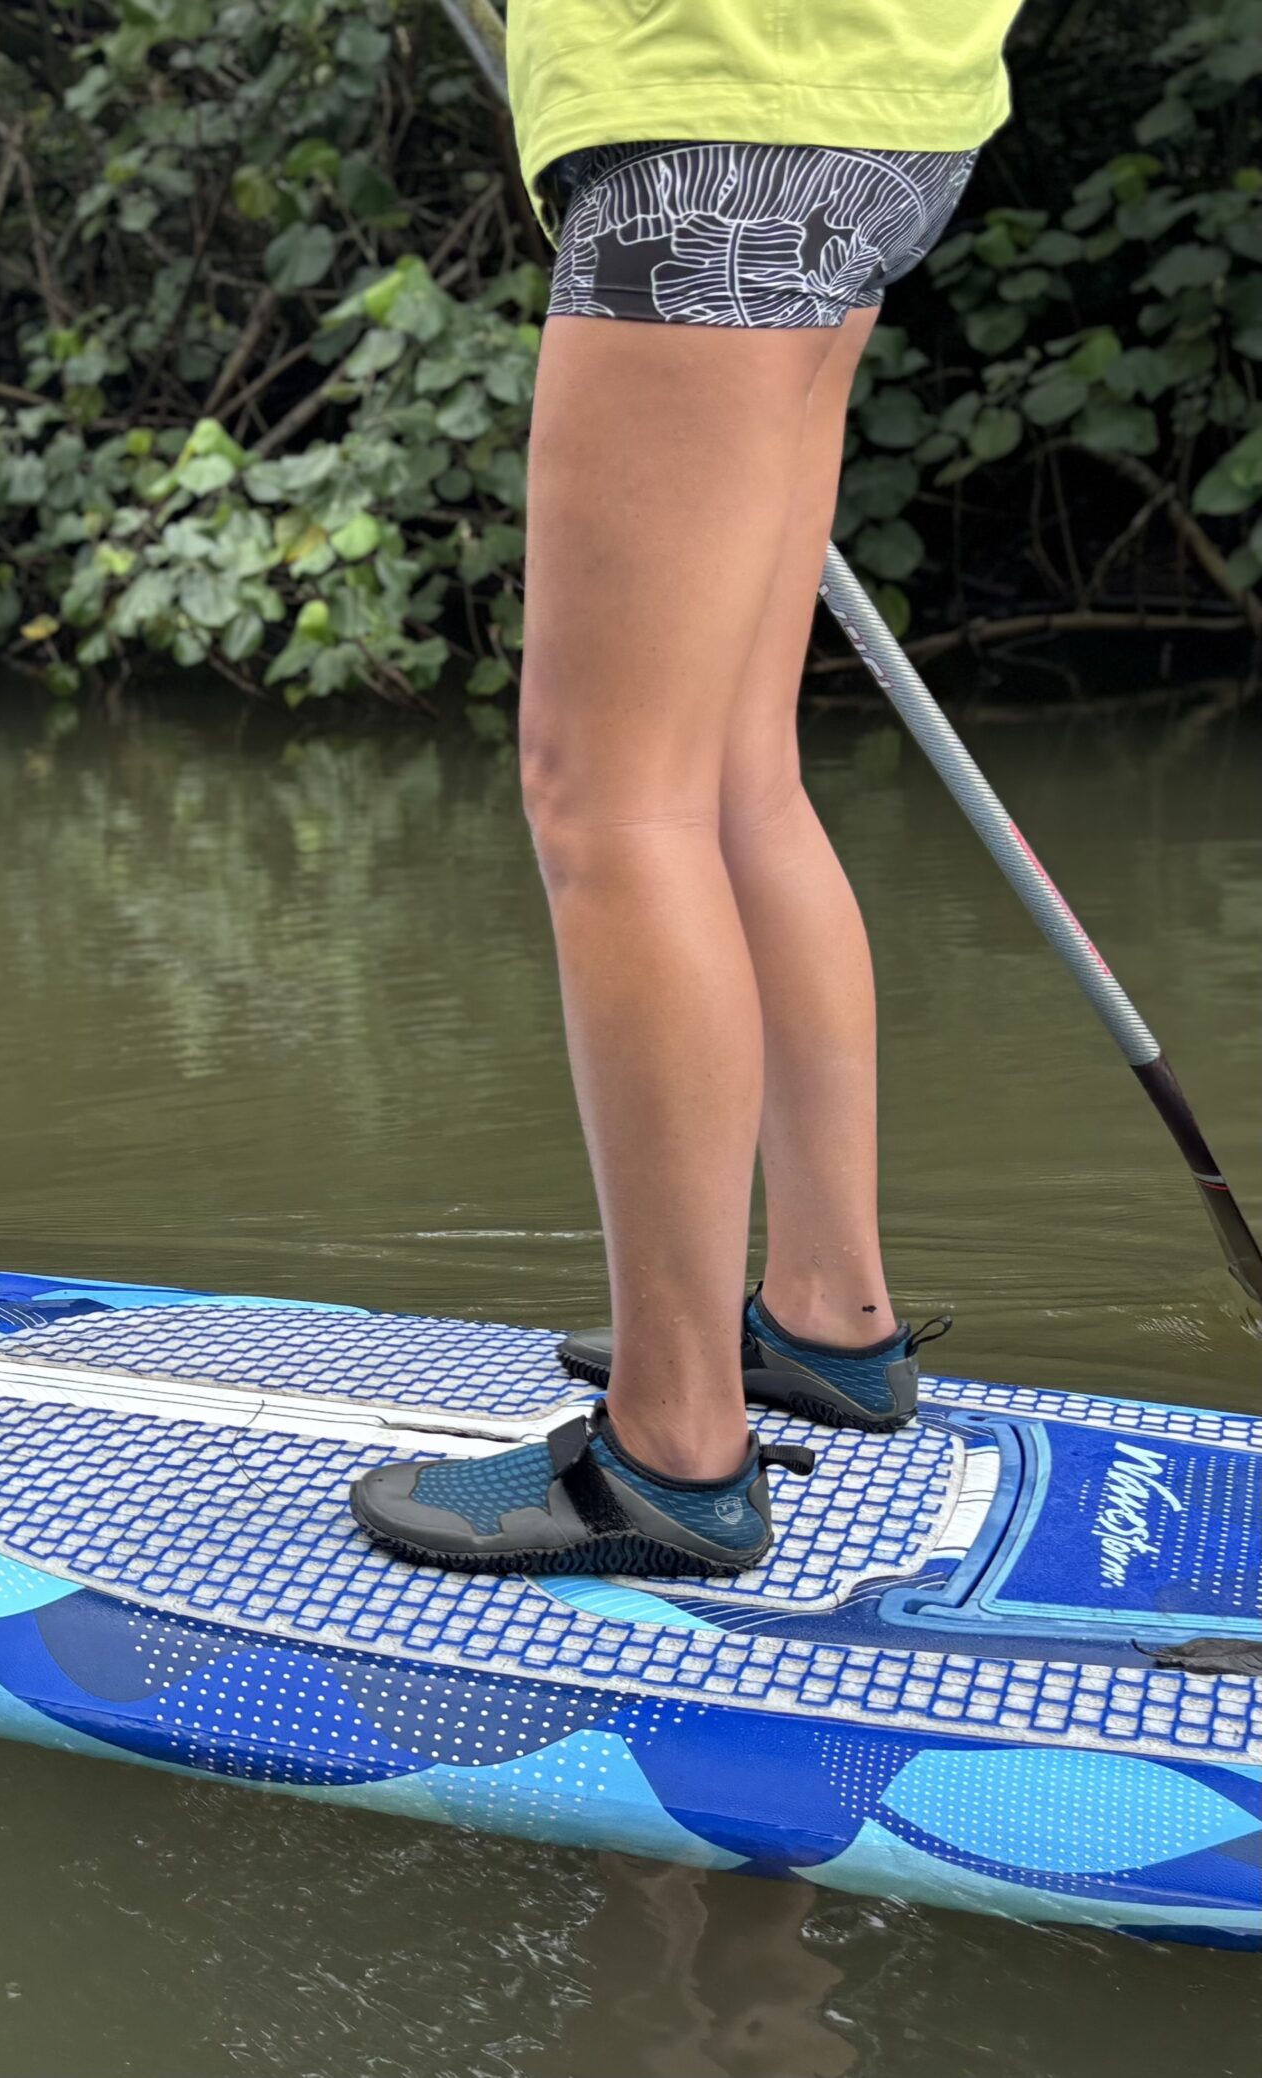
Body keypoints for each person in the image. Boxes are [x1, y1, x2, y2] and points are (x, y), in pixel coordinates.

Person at [351, 2, 1021, 1575]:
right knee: (727, 772)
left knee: (612, 799)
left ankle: (673, 1450)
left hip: (720, 113)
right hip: (885, 105)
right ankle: (827, 1316)